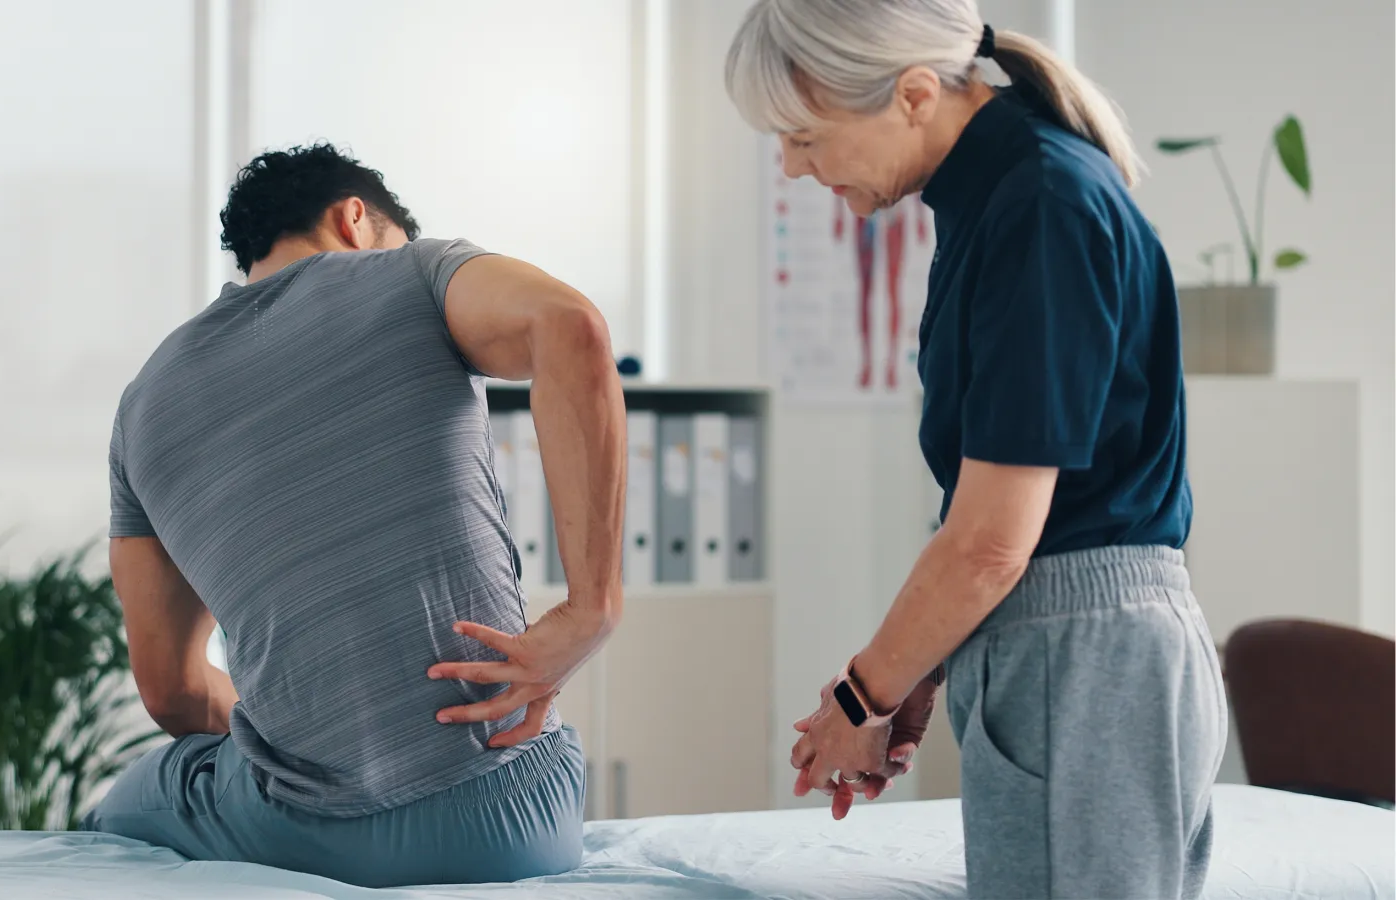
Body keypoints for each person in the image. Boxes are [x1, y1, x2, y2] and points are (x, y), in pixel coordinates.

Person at [726, 2, 1227, 898]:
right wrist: (915, 672)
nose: (794, 168)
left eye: (806, 137)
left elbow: (995, 539)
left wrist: (861, 700)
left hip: (1083, 662)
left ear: (914, 94)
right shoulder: (1004, 196)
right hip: (1084, 650)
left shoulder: (1039, 202)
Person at [80, 143, 625, 888]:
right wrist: (592, 607)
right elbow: (572, 326)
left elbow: (170, 692)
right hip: (518, 823)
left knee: (146, 788)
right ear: (356, 219)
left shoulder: (140, 409)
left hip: (298, 832)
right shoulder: (415, 274)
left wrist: (313, 729)